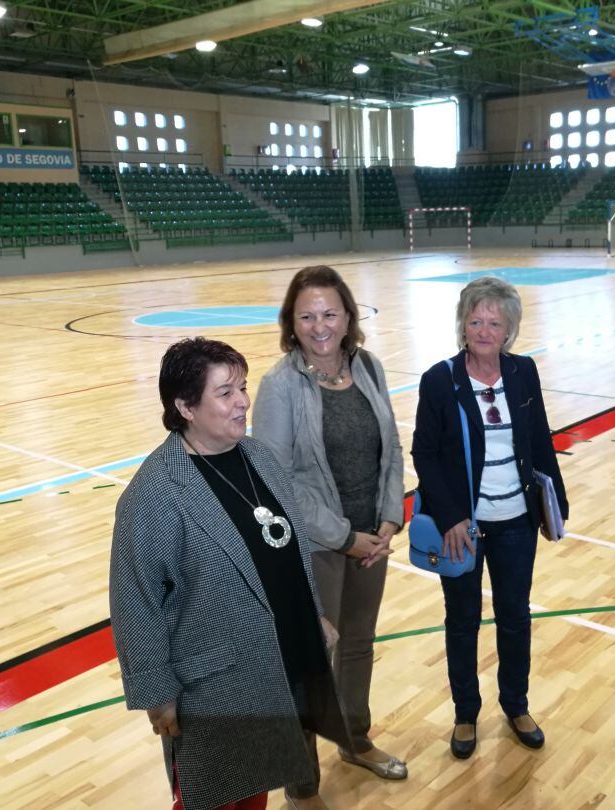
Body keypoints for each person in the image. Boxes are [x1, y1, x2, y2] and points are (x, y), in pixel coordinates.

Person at [109, 337, 349, 810]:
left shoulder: (258, 456)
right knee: (213, 795)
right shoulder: (156, 491)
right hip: (212, 684)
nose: (243, 401)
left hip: (272, 662)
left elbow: (287, 550)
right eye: (225, 393)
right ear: (185, 406)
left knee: (254, 787)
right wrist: (157, 692)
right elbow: (135, 601)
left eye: (241, 387)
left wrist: (312, 615)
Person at [253, 265, 408, 801]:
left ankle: (356, 739)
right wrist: (344, 535)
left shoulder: (369, 366)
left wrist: (390, 518)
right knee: (311, 655)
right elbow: (276, 481)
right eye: (307, 316)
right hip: (316, 545)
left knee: (359, 643)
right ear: (291, 325)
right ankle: (302, 779)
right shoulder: (279, 386)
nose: (320, 326)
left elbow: (391, 447)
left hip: (373, 536)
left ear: (348, 318)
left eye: (329, 313)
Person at [411, 275, 568, 760]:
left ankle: (515, 704)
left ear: (509, 330)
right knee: (461, 620)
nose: (483, 330)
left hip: (517, 522)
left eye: (493, 323)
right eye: (475, 320)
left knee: (515, 617)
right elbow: (425, 453)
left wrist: (554, 503)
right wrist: (454, 516)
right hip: (465, 527)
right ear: (463, 325)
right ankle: (465, 713)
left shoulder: (523, 372)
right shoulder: (441, 380)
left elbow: (540, 439)